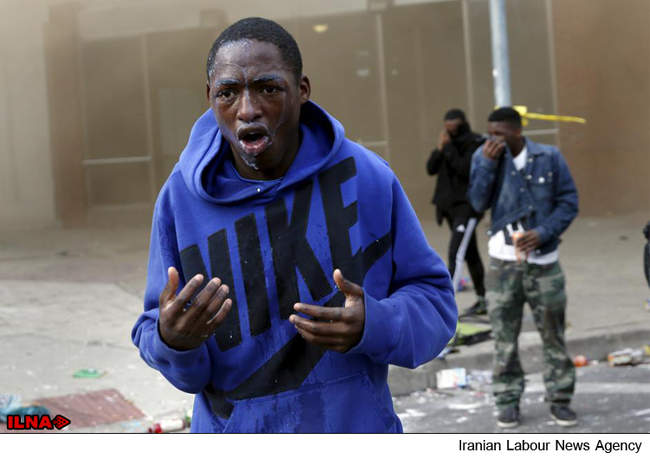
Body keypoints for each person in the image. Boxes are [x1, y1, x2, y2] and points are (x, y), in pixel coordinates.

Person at [131, 17, 457, 433]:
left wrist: (375, 324)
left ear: (302, 90)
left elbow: (434, 303)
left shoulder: (366, 177)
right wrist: (173, 340)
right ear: (210, 96)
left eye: (268, 88)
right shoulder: (180, 198)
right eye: (228, 93)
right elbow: (155, 334)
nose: (247, 109)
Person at [468, 107, 579, 429]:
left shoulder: (549, 157)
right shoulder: (483, 157)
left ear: (517, 132)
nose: (492, 139)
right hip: (502, 264)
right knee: (504, 337)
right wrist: (487, 165)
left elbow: (569, 202)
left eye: (499, 134)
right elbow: (477, 203)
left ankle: (560, 400)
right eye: (490, 133)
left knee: (554, 335)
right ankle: (507, 401)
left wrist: (543, 232)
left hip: (544, 263)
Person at [426, 109, 486, 316]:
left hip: (467, 208)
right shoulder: (446, 144)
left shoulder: (474, 143)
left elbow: (464, 169)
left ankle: (445, 309)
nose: (449, 129)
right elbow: (430, 168)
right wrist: (439, 148)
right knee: (470, 254)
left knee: (456, 253)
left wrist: (449, 148)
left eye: (453, 125)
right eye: (447, 125)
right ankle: (483, 299)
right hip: (450, 209)